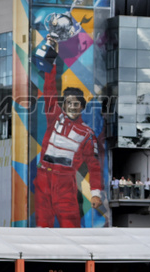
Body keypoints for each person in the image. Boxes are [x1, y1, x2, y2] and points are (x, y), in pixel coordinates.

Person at [35, 45, 104, 228]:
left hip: (65, 181)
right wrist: (53, 58)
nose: (73, 107)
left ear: (82, 107)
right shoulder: (54, 116)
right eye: (69, 103)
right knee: (42, 228)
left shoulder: (87, 134)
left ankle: (77, 256)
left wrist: (96, 193)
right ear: (63, 105)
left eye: (77, 104)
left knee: (70, 227)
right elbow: (50, 88)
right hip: (43, 177)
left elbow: (94, 166)